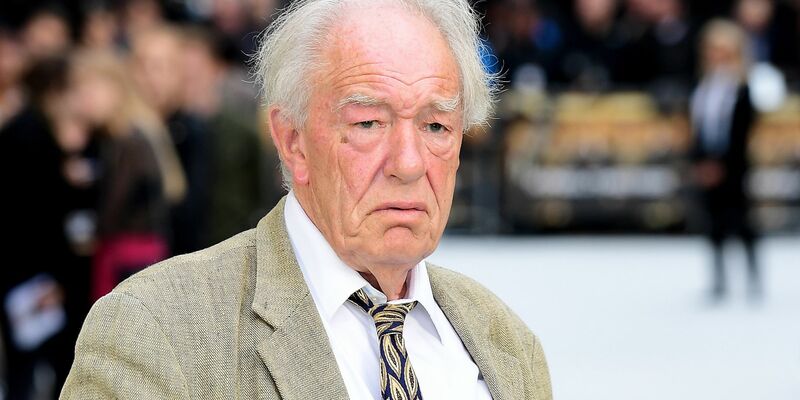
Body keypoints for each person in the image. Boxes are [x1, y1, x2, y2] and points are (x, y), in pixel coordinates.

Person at [61, 1, 553, 399]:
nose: (409, 162)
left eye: (436, 126)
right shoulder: (158, 329)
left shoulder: (504, 341)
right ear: (292, 141)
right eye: (367, 123)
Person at [67, 50, 186, 300]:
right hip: (136, 254)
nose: (82, 101)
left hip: (129, 258)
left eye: (90, 91)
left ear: (115, 89)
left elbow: (115, 206)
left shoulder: (129, 139)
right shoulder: (125, 134)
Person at [690, 19, 760, 301]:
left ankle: (753, 277)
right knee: (713, 223)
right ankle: (719, 279)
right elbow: (698, 130)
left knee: (741, 221)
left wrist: (722, 164)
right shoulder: (704, 88)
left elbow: (741, 133)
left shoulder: (741, 89)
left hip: (734, 167)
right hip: (708, 164)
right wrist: (702, 161)